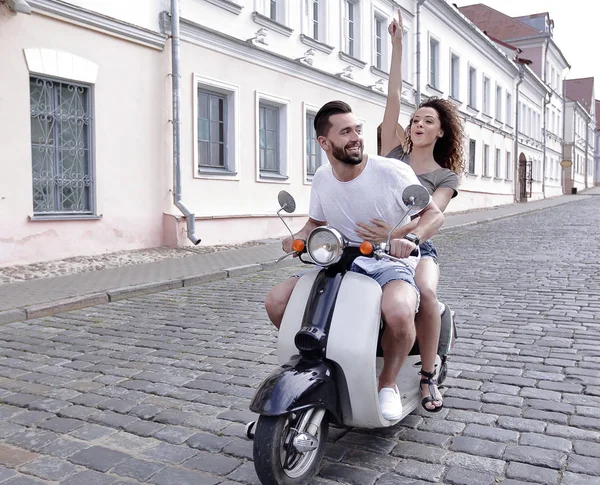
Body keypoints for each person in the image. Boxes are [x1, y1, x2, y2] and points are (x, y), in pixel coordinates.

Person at [264, 100, 444, 421]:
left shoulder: (390, 172)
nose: (356, 137)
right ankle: (325, 362)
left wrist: (411, 239)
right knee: (277, 301)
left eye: (357, 130)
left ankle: (387, 383)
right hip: (338, 261)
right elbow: (314, 223)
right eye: (345, 132)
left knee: (400, 311)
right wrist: (298, 237)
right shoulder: (322, 177)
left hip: (388, 261)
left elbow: (433, 214)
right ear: (324, 142)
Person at [357, 10, 465, 413]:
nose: (418, 123)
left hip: (416, 248)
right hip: (373, 245)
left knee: (428, 294)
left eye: (428, 121)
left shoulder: (444, 175)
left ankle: (427, 375)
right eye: (415, 119)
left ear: (440, 131)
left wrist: (402, 235)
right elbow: (392, 99)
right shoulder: (392, 154)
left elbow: (432, 214)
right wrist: (397, 46)